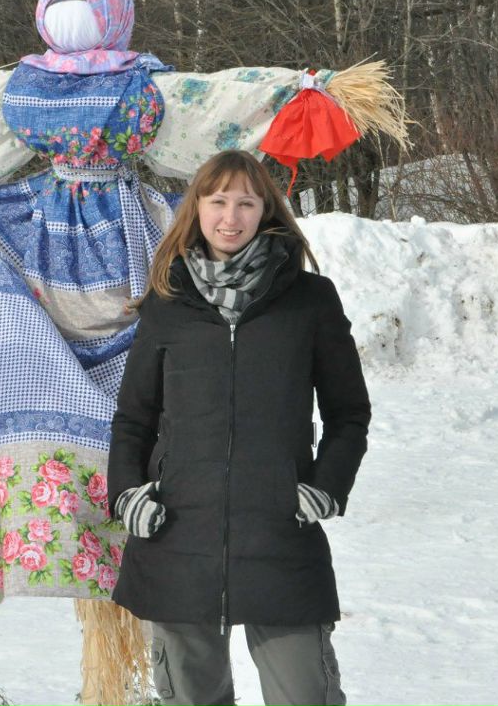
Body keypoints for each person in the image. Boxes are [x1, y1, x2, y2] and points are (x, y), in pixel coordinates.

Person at [107, 149, 371, 706]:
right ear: (196, 208)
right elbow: (134, 417)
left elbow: (349, 412)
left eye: (246, 202)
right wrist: (127, 493)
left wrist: (325, 486)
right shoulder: (168, 302)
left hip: (280, 533)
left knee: (306, 696)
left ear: (266, 210)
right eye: (218, 200)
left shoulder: (309, 301)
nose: (231, 217)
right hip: (176, 535)